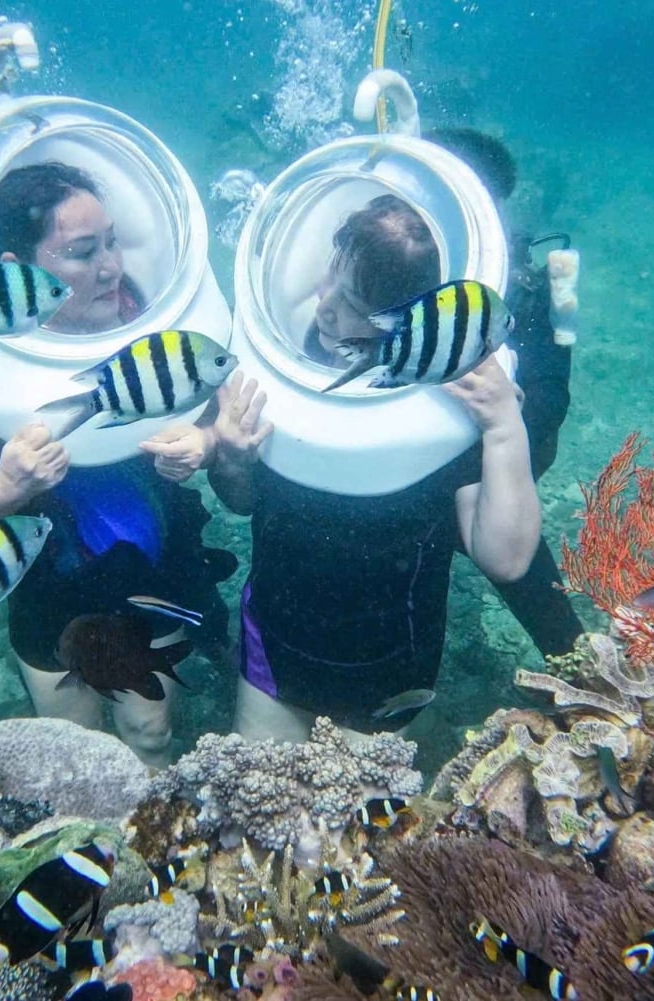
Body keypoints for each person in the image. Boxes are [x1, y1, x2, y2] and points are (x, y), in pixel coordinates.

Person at [185, 194, 543, 740]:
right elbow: (245, 502)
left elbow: (507, 558)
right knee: (257, 813)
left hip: (390, 668)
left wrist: (502, 427)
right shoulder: (283, 357)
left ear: (413, 319)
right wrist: (233, 458)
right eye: (331, 276)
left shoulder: (448, 405)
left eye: (352, 302)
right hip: (276, 644)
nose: (324, 305)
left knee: (366, 824)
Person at [0, 162, 232, 767]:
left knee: (152, 731)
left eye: (112, 241)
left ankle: (154, 849)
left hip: (153, 567)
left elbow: (225, 422)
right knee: (73, 750)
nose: (111, 266)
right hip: (45, 583)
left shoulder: (165, 328)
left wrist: (208, 444)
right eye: (84, 252)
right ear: (17, 270)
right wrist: (7, 485)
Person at [425, 126, 585, 656]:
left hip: (481, 470)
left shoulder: (523, 285)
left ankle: (582, 674)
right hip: (408, 469)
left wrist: (506, 429)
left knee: (543, 604)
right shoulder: (391, 256)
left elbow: (550, 401)